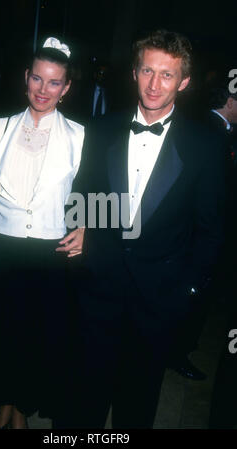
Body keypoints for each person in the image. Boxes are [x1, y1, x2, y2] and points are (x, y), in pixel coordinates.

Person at [55, 29, 226, 428]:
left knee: (138, 402)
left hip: (159, 300)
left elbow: (211, 230)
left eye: (167, 75)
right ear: (134, 72)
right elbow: (84, 193)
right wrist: (86, 226)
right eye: (147, 70)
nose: (154, 84)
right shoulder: (100, 129)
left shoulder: (206, 145)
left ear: (184, 82)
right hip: (98, 287)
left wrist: (188, 290)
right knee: (85, 398)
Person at [0, 37, 84, 429]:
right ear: (26, 79)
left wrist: (89, 228)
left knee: (37, 339)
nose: (43, 90)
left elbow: (92, 191)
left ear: (66, 88)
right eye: (37, 80)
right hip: (2, 249)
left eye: (54, 82)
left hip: (50, 253)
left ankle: (20, 408)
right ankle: (6, 404)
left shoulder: (80, 135)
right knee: (2, 336)